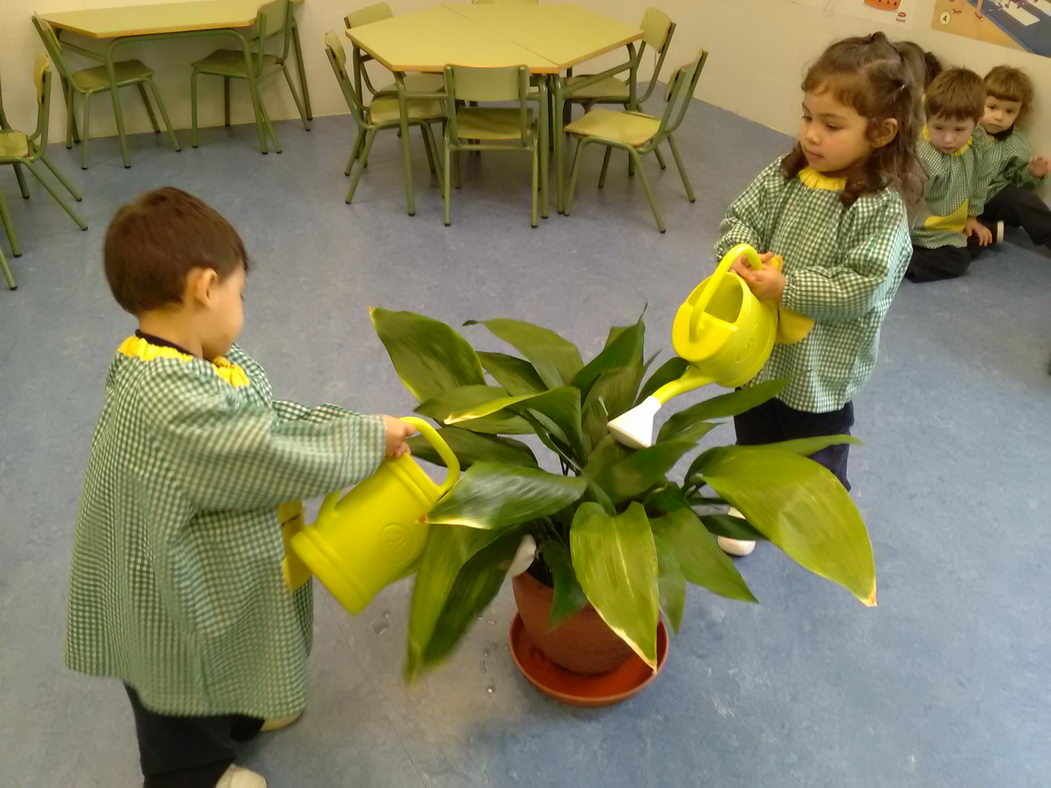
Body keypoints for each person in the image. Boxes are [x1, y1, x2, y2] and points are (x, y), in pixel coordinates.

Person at [64, 187, 416, 787]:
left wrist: (359, 428)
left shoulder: (180, 360)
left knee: (233, 638)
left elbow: (268, 418)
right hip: (166, 589)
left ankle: (245, 710)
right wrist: (362, 444)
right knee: (179, 684)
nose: (241, 307)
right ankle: (193, 776)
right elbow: (267, 453)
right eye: (240, 293)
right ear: (205, 287)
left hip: (193, 550)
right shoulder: (173, 403)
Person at [712, 33, 920, 556]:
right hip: (761, 349)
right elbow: (740, 216)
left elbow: (864, 285)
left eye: (832, 126)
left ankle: (821, 501)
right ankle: (755, 500)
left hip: (820, 364)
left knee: (814, 442)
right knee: (756, 424)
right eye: (808, 117)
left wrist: (788, 287)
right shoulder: (786, 175)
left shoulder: (879, 208)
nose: (811, 135)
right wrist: (735, 253)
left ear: (881, 132)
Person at [906, 68, 995, 282]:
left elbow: (980, 182)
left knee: (982, 237)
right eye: (938, 128)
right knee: (959, 261)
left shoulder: (979, 144)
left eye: (959, 130)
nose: (947, 139)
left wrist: (972, 218)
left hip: (950, 223)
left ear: (977, 122)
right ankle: (899, 263)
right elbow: (906, 203)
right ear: (928, 119)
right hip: (917, 230)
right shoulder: (925, 157)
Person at [976, 65, 1050, 255]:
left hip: (992, 199)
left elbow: (1017, 181)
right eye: (992, 107)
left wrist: (1032, 173)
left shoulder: (1017, 142)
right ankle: (981, 231)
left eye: (1010, 112)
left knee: (1023, 201)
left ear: (1019, 113)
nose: (999, 117)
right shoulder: (966, 130)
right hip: (958, 199)